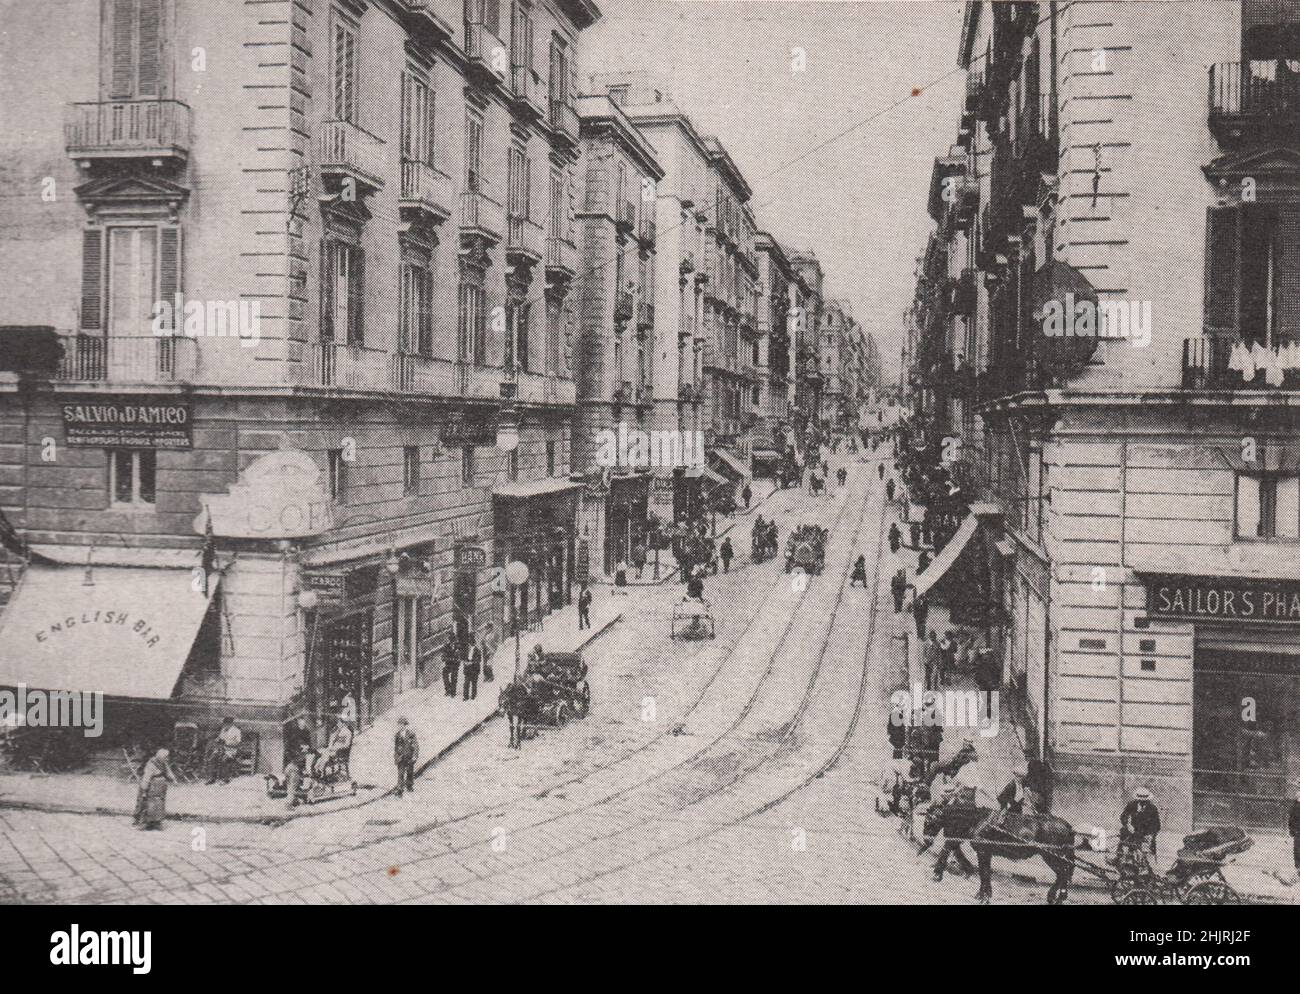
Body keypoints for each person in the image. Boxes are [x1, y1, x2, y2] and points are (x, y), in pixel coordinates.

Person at [133, 748, 174, 830]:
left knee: (159, 804)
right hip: (152, 786)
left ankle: (156, 822)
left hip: (160, 787)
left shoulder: (163, 763)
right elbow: (146, 778)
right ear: (161, 757)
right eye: (166, 757)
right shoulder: (151, 764)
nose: (167, 759)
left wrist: (172, 778)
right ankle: (145, 823)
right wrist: (144, 789)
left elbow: (168, 772)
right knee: (149, 804)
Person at [1120, 787, 1162, 860]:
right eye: (1140, 800)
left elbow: (1157, 825)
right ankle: (1119, 857)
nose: (1142, 802)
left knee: (1144, 847)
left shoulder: (1152, 808)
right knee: (1123, 832)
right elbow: (1123, 816)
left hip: (1146, 832)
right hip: (1133, 830)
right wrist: (1128, 825)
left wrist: (1150, 834)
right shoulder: (1132, 804)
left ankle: (1144, 862)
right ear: (1137, 799)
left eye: (1145, 801)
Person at [206, 716, 242, 785]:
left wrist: (227, 743)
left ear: (231, 724)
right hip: (221, 749)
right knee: (212, 758)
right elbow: (220, 737)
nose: (226, 725)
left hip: (231, 750)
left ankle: (225, 779)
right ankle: (212, 778)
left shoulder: (237, 731)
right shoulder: (223, 729)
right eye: (225, 724)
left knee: (224, 760)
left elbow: (237, 743)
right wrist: (217, 739)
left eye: (227, 724)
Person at [393, 717, 418, 797]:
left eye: (402, 725)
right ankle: (400, 789)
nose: (400, 726)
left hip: (409, 756)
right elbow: (396, 747)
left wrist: (414, 755)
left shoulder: (411, 734)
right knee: (400, 773)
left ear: (405, 725)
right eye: (399, 725)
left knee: (410, 772)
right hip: (401, 757)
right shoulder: (397, 735)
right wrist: (396, 756)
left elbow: (415, 746)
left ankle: (409, 785)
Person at [1289, 789, 1300, 875]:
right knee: (1297, 849)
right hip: (1297, 831)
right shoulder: (1295, 806)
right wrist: (1291, 830)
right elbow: (1291, 819)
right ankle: (1298, 867)